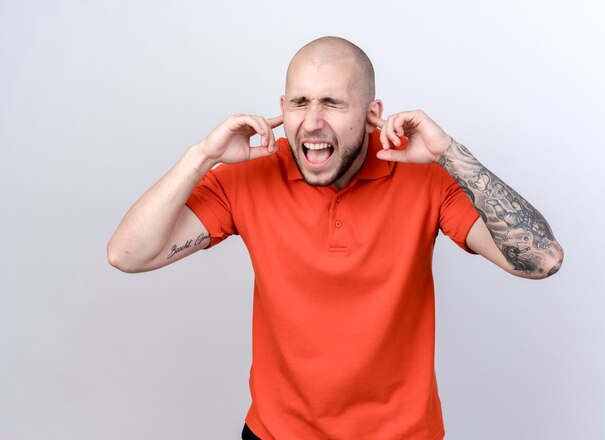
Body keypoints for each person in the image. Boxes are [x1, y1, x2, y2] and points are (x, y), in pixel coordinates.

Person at [108, 36, 563, 440]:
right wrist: (202, 156)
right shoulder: (248, 176)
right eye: (300, 102)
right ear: (282, 107)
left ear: (372, 114)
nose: (312, 121)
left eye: (332, 103)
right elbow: (127, 254)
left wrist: (449, 154)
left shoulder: (425, 177)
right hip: (275, 434)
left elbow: (542, 260)